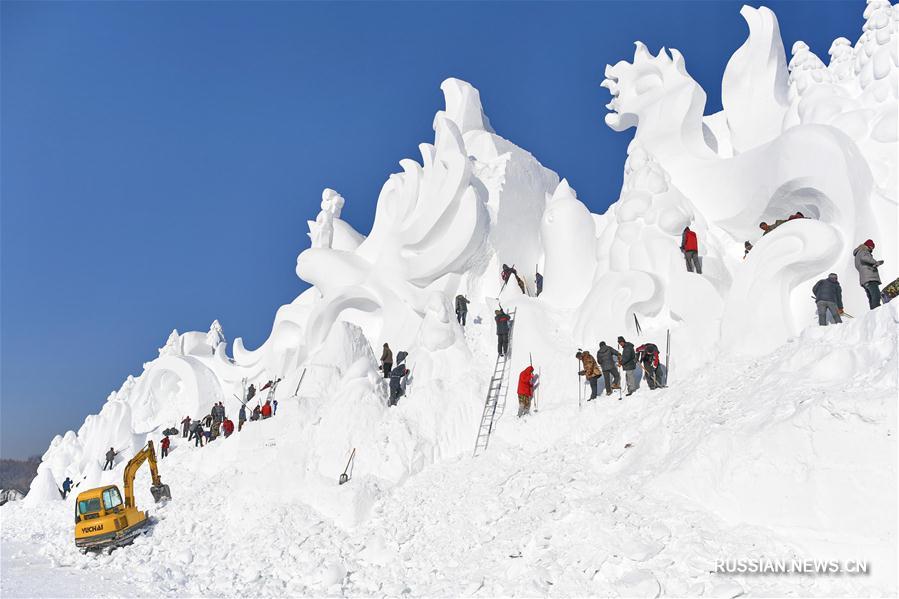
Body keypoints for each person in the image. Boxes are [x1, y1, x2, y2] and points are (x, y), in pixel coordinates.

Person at [854, 239, 884, 309]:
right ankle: (876, 313)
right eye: (871, 247)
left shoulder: (858, 253)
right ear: (868, 246)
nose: (872, 249)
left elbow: (861, 264)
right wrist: (875, 262)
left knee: (871, 298)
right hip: (870, 278)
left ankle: (872, 314)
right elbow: (865, 258)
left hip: (864, 279)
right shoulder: (863, 250)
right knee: (876, 296)